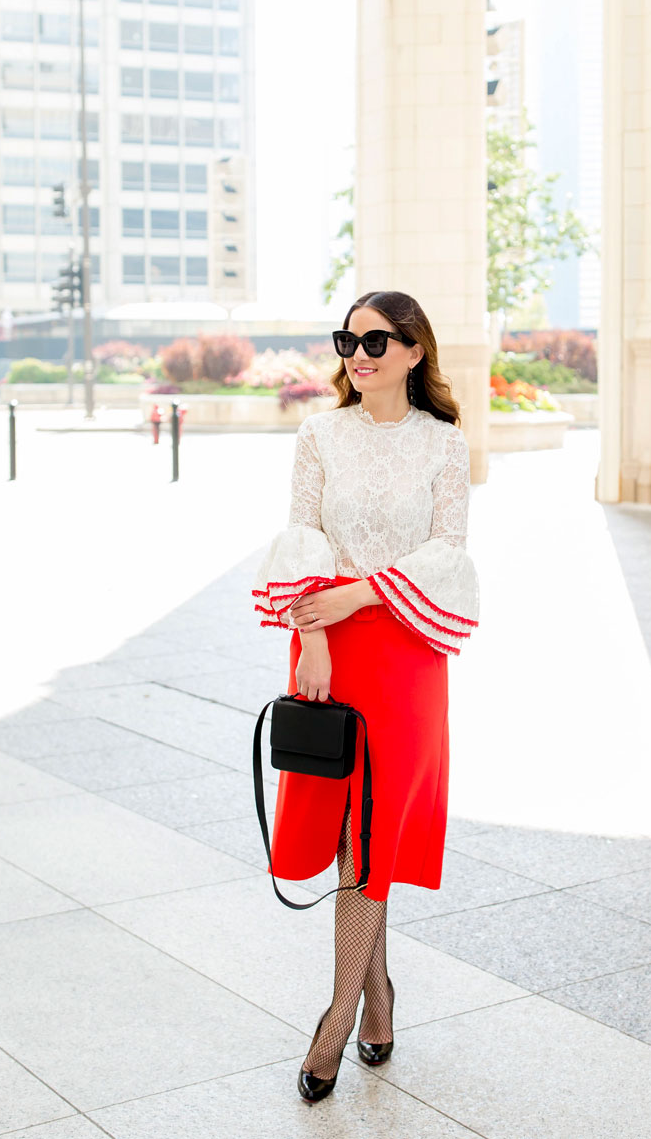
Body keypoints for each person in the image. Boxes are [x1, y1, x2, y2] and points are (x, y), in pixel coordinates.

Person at [252, 289, 481, 1104]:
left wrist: (357, 598)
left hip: (405, 651)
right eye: (348, 339)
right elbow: (302, 535)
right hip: (326, 649)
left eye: (378, 341)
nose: (359, 354)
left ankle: (340, 1015)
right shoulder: (319, 435)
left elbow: (448, 549)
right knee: (346, 828)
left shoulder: (445, 445)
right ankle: (377, 994)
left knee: (374, 831)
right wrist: (314, 631)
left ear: (416, 351)